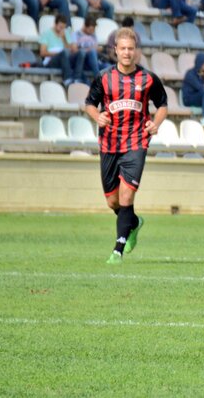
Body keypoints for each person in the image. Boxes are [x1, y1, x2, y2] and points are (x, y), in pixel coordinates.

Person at [84, 27, 168, 264]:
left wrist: (156, 123)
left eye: (131, 49)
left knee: (126, 197)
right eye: (123, 48)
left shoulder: (148, 79)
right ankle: (133, 222)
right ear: (116, 50)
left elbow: (162, 104)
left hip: (136, 142)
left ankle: (117, 251)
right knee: (113, 202)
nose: (127, 53)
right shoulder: (104, 77)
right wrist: (96, 116)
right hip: (109, 144)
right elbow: (90, 103)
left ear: (136, 51)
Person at [39, 14, 86, 87]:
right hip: (52, 60)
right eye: (60, 27)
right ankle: (67, 79)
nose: (62, 29)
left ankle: (77, 78)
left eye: (63, 27)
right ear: (55, 24)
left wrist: (64, 38)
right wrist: (58, 54)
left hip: (65, 58)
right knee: (64, 52)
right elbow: (42, 52)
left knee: (81, 52)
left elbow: (71, 50)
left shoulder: (65, 33)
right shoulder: (46, 33)